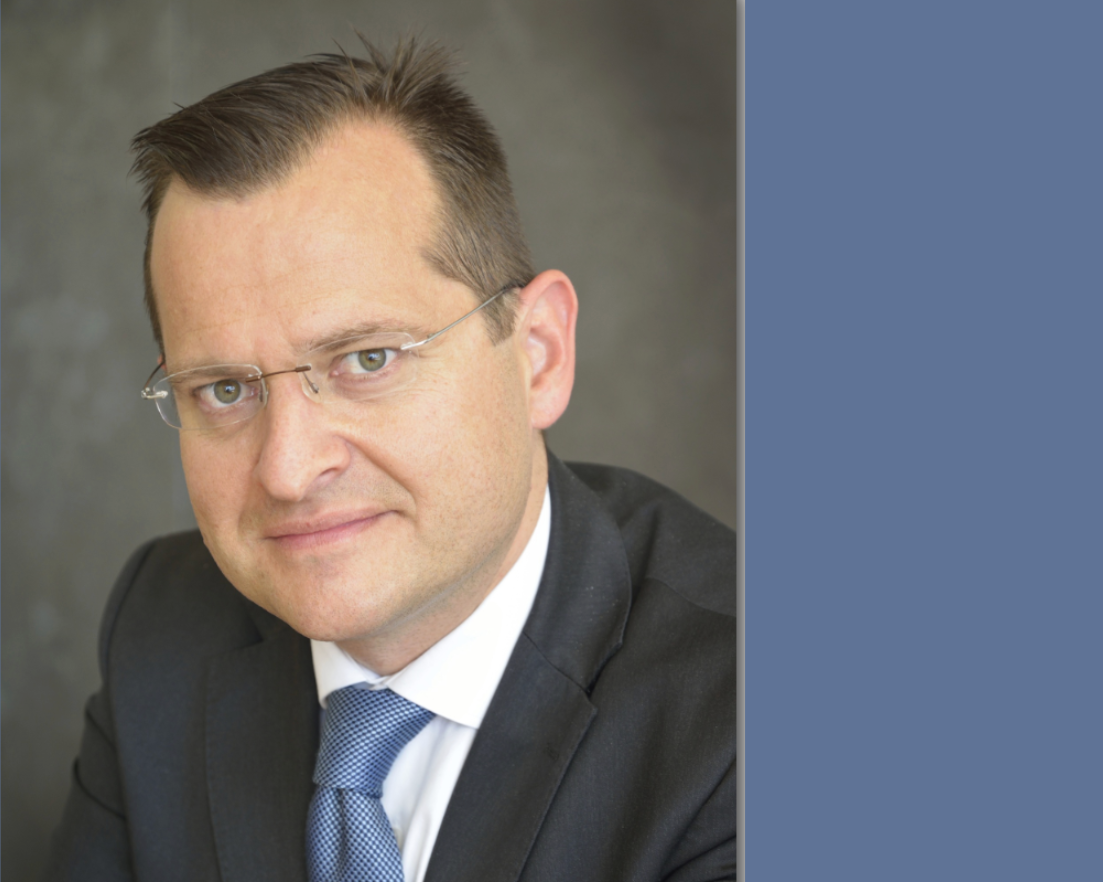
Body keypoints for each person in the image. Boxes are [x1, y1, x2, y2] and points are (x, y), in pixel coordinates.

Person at [46, 37, 735, 882]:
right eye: (224, 389)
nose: (288, 471)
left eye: (367, 360)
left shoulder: (737, 720)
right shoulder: (164, 628)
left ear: (539, 356)